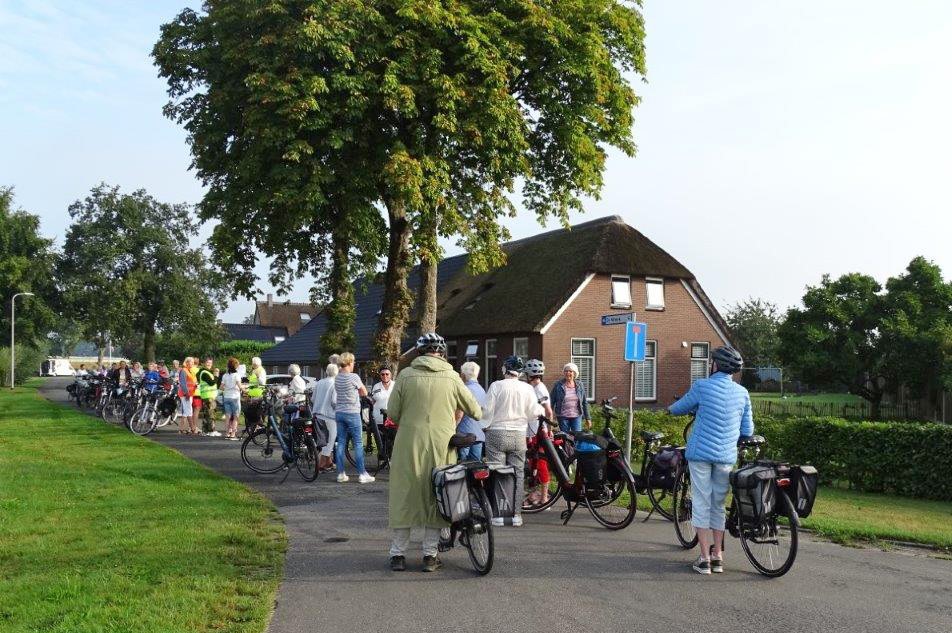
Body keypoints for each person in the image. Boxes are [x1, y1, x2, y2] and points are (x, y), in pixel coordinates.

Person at [386, 333, 481, 572]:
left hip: (409, 444)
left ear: (419, 352)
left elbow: (393, 413)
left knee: (404, 496)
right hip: (442, 445)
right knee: (437, 496)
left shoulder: (405, 376)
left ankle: (398, 555)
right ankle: (430, 555)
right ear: (441, 353)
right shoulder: (452, 377)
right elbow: (476, 411)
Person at [669, 346, 752, 575]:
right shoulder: (742, 393)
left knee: (701, 502)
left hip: (701, 456)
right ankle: (718, 557)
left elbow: (678, 408)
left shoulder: (702, 387)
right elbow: (748, 428)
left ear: (715, 365)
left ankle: (704, 558)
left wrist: (670, 409)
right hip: (725, 457)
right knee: (717, 505)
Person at [482, 355, 543, 527]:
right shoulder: (527, 388)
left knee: (495, 472)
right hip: (518, 434)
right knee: (518, 473)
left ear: (505, 369)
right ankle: (516, 514)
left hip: (497, 432)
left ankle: (497, 514)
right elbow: (532, 412)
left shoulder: (496, 386)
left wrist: (483, 424)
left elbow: (487, 410)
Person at [334, 353, 375, 484]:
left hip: (339, 412)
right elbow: (364, 392)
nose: (354, 365)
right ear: (349, 362)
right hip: (352, 412)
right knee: (357, 443)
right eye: (353, 362)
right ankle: (362, 474)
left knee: (341, 442)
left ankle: (341, 474)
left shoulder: (337, 377)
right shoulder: (354, 377)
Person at [524, 359, 554, 505]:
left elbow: (548, 411)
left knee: (540, 463)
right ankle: (535, 494)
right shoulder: (532, 388)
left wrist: (549, 430)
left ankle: (544, 498)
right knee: (533, 462)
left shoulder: (540, 388)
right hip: (531, 431)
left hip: (538, 431)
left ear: (529, 375)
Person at [455, 361, 486, 461]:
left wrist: (453, 427)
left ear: (463, 375)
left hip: (464, 435)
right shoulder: (482, 390)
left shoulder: (464, 390)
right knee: (475, 467)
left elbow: (459, 413)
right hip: (479, 434)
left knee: (462, 468)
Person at [311, 362, 338, 472]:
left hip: (317, 414)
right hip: (330, 416)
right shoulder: (335, 383)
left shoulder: (319, 382)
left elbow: (312, 399)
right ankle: (321, 465)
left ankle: (329, 463)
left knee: (323, 440)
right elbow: (334, 401)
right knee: (330, 440)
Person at [550, 362, 591, 433]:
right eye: (566, 371)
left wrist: (588, 418)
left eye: (570, 371)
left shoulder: (580, 385)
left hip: (576, 416)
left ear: (574, 373)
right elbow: (551, 401)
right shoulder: (558, 385)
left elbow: (584, 402)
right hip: (562, 416)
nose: (568, 373)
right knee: (565, 438)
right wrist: (550, 418)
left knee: (577, 437)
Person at [219, 357, 244, 440]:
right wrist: (245, 389)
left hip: (226, 397)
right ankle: (233, 434)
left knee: (228, 416)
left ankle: (227, 433)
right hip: (235, 397)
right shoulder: (237, 375)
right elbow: (240, 386)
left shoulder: (225, 375)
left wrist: (227, 387)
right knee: (236, 416)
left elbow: (221, 387)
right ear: (235, 366)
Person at [198, 357, 219, 436]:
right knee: (211, 414)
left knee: (206, 414)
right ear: (204, 363)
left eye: (210, 363)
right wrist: (216, 375)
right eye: (208, 362)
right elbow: (212, 383)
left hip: (207, 396)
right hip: (209, 396)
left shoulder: (207, 372)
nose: (209, 364)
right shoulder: (205, 373)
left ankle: (205, 430)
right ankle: (211, 430)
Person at [176, 358, 198, 434]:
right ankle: (193, 429)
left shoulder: (189, 371)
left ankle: (181, 429)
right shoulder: (184, 370)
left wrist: (195, 385)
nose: (193, 363)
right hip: (185, 394)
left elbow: (191, 382)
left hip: (189, 394)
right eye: (191, 362)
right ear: (187, 362)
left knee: (186, 411)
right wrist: (187, 393)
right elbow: (183, 383)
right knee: (189, 411)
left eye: (193, 362)